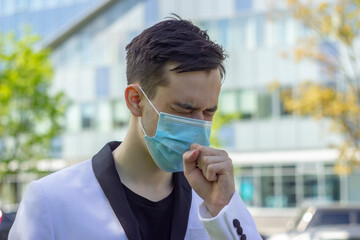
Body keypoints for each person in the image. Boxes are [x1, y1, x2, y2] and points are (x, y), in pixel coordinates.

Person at [9, 16, 262, 240]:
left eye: (209, 112)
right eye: (184, 110)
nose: (198, 124)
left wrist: (221, 207)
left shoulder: (215, 201)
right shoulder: (51, 200)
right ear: (135, 101)